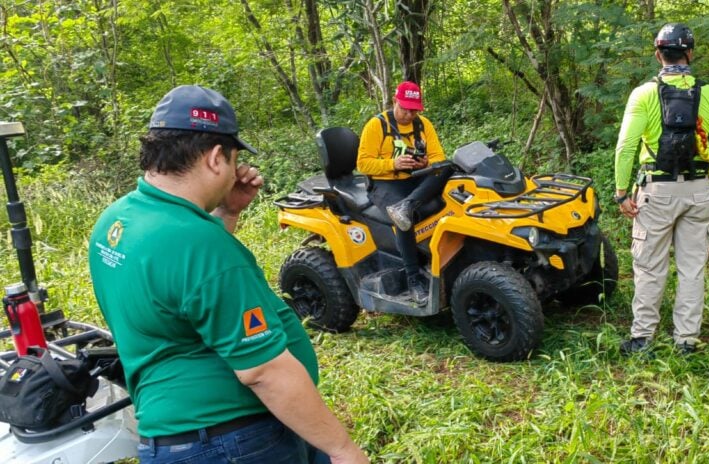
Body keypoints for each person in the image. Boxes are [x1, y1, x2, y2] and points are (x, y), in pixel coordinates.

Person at [88, 85, 368, 464]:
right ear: (216, 157)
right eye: (234, 158)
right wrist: (343, 449)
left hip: (171, 437)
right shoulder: (197, 242)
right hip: (231, 441)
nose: (237, 169)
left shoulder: (118, 220)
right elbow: (264, 372)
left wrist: (228, 213)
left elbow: (186, 288)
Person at [614, 23, 709, 357]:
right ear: (690, 54)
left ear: (658, 55)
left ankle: (643, 339)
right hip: (699, 192)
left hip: (657, 191)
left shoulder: (643, 94)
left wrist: (622, 193)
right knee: (692, 269)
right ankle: (686, 341)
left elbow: (625, 148)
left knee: (650, 267)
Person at [356, 81, 447, 303]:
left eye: (414, 109)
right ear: (395, 101)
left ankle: (408, 206)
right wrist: (393, 164)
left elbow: (439, 158)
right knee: (403, 221)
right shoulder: (376, 125)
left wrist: (425, 163)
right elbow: (363, 164)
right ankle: (413, 279)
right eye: (405, 108)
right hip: (385, 184)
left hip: (416, 180)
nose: (409, 114)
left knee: (448, 169)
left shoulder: (423, 125)